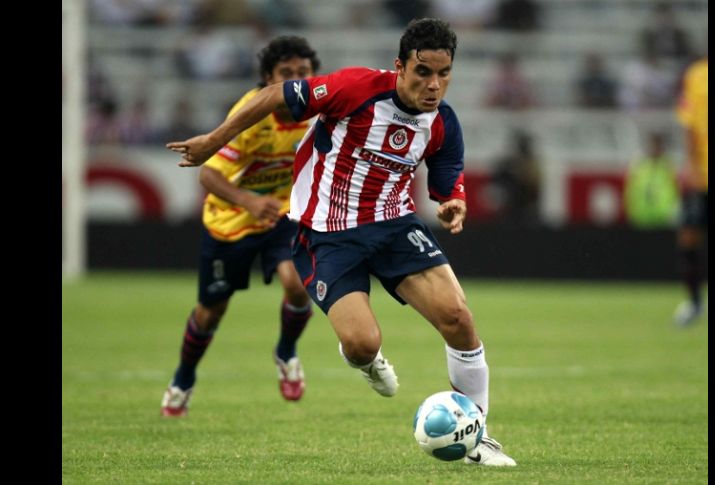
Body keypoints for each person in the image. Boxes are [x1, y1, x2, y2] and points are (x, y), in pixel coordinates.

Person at [168, 18, 517, 467]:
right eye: (423, 71)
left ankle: (478, 438)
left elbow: (448, 180)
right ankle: (365, 359)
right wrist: (214, 142)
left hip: (394, 226)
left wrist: (453, 204)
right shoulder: (356, 87)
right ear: (400, 66)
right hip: (326, 233)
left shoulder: (443, 122)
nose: (434, 84)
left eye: (444, 73)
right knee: (361, 344)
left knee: (458, 317)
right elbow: (275, 94)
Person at [161, 35, 321, 417]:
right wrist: (250, 201)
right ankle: (183, 378)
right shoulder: (251, 115)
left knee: (296, 284)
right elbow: (209, 176)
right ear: (268, 79)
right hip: (230, 221)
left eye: (304, 73)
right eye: (286, 74)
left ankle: (286, 353)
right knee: (211, 310)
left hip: (281, 215)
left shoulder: (318, 111)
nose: (296, 82)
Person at [673, 56, 707, 326]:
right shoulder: (696, 74)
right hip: (702, 177)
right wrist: (690, 165)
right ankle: (695, 303)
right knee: (688, 238)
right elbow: (689, 125)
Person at [623, 132, 680, 229]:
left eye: (658, 145)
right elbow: (631, 191)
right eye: (653, 145)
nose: (655, 148)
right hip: (641, 219)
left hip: (663, 219)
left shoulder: (668, 166)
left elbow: (675, 191)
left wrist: (672, 213)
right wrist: (631, 212)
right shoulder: (639, 166)